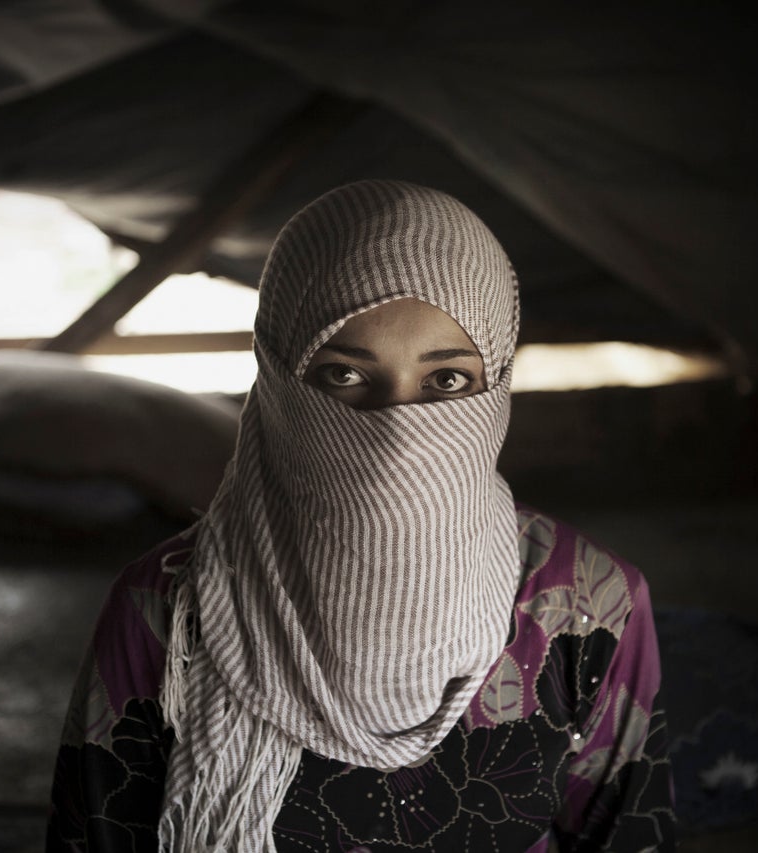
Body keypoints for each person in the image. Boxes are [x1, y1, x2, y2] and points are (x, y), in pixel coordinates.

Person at [47, 180, 677, 852]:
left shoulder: (588, 605)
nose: (398, 436)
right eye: (344, 375)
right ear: (276, 372)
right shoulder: (167, 613)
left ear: (497, 383)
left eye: (448, 381)